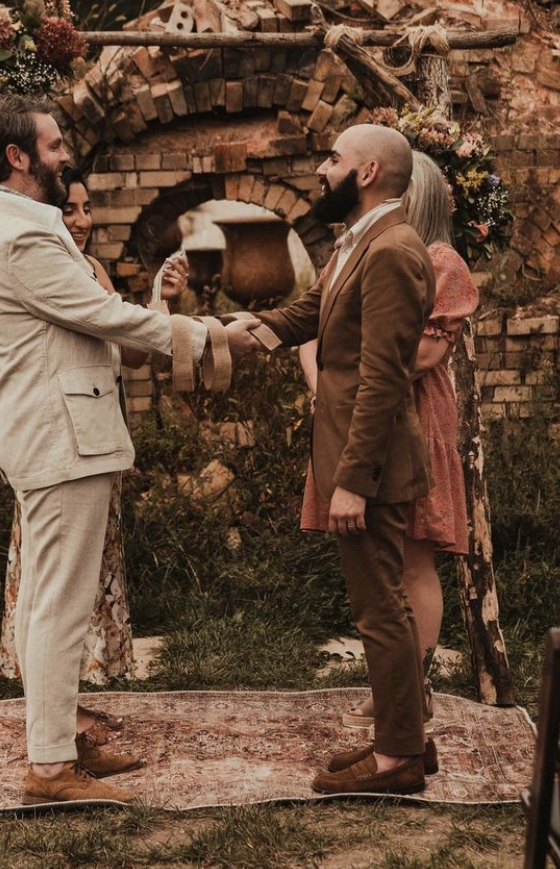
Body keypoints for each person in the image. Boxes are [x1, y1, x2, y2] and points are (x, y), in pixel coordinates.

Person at [0, 95, 209, 806]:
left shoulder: (17, 223)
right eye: (54, 142)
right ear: (19, 156)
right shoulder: (23, 237)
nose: (65, 152)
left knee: (48, 599)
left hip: (53, 432)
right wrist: (204, 336)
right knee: (59, 604)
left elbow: (90, 321)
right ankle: (48, 768)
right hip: (59, 437)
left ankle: (58, 745)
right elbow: (98, 313)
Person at [224, 123, 437, 795]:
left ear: (368, 171)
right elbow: (312, 313)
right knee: (377, 607)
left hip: (369, 466)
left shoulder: (395, 250)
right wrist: (240, 335)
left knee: (382, 612)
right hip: (353, 460)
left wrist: (352, 482)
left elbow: (382, 377)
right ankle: (400, 741)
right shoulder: (359, 242)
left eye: (334, 159)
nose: (321, 168)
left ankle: (399, 759)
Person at [299, 150, 479, 729]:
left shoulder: (438, 262)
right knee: (375, 562)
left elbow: (424, 353)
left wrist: (352, 369)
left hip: (413, 417)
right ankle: (393, 685)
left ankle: (410, 687)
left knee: (413, 555)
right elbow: (316, 330)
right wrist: (332, 386)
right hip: (351, 410)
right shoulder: (354, 251)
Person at [60, 167, 187, 734]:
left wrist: (159, 300)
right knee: (63, 575)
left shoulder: (91, 270)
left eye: (86, 208)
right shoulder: (49, 270)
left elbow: (131, 354)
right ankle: (58, 706)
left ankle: (73, 696)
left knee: (92, 568)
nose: (82, 220)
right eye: (69, 209)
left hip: (102, 436)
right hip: (63, 443)